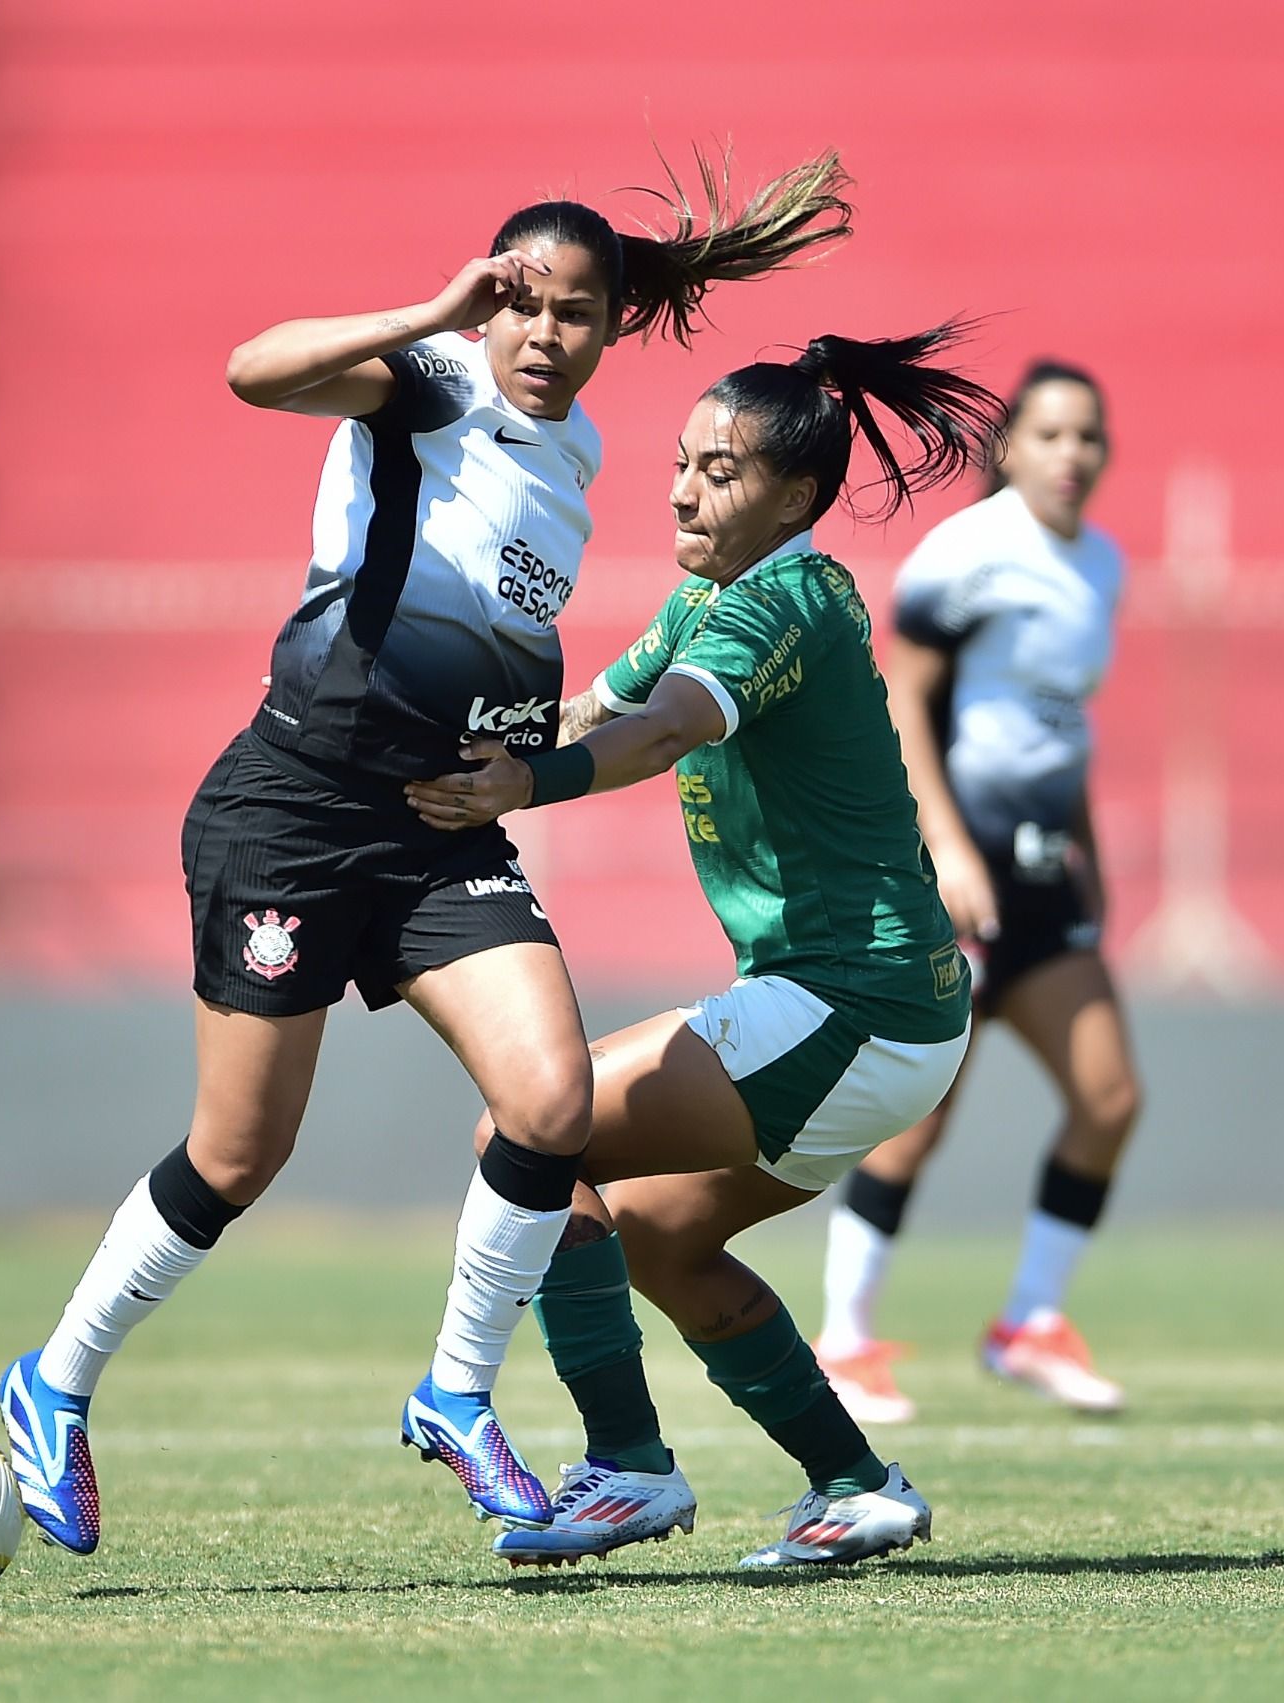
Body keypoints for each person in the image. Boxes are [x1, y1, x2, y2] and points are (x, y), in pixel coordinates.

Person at [0, 154, 853, 1554]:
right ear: (484, 303)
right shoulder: (429, 381)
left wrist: (533, 748)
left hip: (443, 825)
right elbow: (250, 371)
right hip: (293, 806)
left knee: (552, 1096)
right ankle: (55, 1377)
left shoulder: (574, 455)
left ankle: (457, 1390)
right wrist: (428, 309)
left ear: (612, 328)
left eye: (576, 311)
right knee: (238, 1151)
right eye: (519, 302)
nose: (541, 332)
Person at [402, 324, 1005, 1567]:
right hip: (884, 1018)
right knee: (660, 1232)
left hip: (853, 1005)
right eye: (681, 461)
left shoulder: (778, 598)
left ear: (794, 494)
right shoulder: (713, 597)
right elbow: (600, 707)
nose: (682, 487)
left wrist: (526, 783)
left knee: (530, 1122)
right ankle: (855, 1482)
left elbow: (668, 726)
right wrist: (457, 753)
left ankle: (624, 1466)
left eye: (720, 471)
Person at [810, 358, 1140, 1422]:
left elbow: (1062, 729)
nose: (1071, 455)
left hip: (1044, 878)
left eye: (1087, 436)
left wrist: (1091, 856)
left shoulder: (1102, 568)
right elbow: (902, 701)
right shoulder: (967, 554)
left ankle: (1028, 1320)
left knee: (1108, 1098)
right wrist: (944, 849)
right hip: (957, 873)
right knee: (920, 1116)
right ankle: (843, 1341)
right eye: (1049, 434)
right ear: (1007, 449)